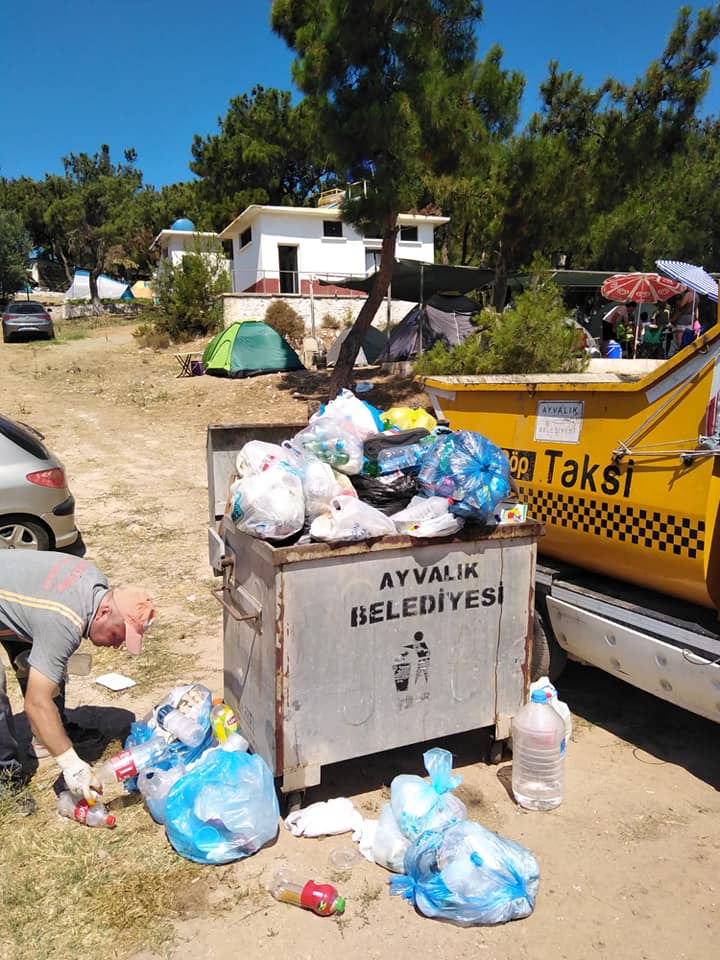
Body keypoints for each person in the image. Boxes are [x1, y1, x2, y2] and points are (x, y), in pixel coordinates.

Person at [0, 551, 154, 813]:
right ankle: (5, 777)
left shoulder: (95, 585)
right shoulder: (66, 620)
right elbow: (36, 703)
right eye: (119, 634)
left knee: (48, 662)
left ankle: (48, 733)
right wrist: (72, 764)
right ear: (104, 612)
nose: (117, 645)